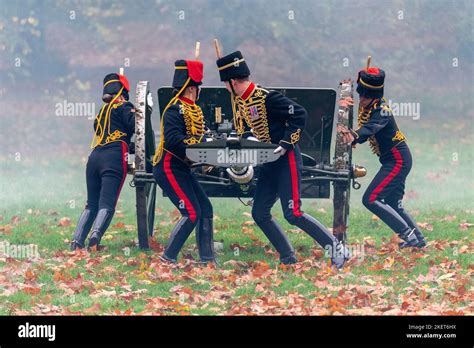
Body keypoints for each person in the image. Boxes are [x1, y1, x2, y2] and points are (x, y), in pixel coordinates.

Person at [216, 51, 348, 268]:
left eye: (225, 83)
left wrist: (286, 143)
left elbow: (299, 113)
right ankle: (288, 257)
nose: (225, 88)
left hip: (286, 160)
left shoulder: (267, 97)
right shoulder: (240, 101)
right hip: (267, 162)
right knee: (259, 212)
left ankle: (337, 249)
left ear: (231, 81)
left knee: (293, 213)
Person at [337, 66, 426, 248]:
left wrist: (354, 135)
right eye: (361, 95)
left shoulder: (382, 109)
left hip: (398, 160)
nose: (361, 99)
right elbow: (366, 125)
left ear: (375, 96)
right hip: (393, 159)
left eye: (366, 96)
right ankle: (419, 241)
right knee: (393, 202)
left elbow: (372, 127)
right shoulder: (371, 105)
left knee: (370, 199)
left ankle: (408, 235)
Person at [152, 59, 215, 264]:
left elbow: (197, 138)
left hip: (183, 169)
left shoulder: (193, 109)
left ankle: (207, 260)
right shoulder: (173, 110)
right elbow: (173, 141)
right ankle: (167, 258)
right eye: (197, 88)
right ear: (191, 89)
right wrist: (199, 146)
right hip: (168, 167)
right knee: (191, 212)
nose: (199, 92)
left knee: (205, 208)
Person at [70, 72, 134, 250]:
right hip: (113, 157)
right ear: (122, 94)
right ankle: (95, 238)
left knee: (92, 203)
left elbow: (98, 130)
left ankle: (76, 241)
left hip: (94, 157)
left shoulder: (102, 113)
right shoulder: (125, 106)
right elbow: (134, 126)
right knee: (108, 203)